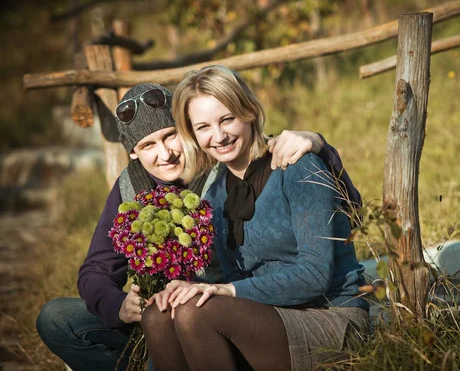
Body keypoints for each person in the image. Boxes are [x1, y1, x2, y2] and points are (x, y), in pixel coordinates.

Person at [35, 82, 360, 371]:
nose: (166, 154)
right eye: (148, 146)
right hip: (194, 308)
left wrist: (318, 143)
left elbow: (338, 208)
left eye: (170, 135)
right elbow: (96, 268)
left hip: (231, 308)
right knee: (63, 317)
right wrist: (117, 305)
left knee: (187, 314)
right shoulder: (133, 187)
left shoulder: (222, 166)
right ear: (133, 153)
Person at [141, 66, 369, 371]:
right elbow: (226, 277)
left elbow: (315, 275)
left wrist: (227, 291)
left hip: (329, 317)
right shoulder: (216, 194)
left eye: (227, 119)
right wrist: (185, 285)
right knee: (159, 313)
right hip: (265, 315)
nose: (219, 136)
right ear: (192, 134)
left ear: (248, 111)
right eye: (204, 127)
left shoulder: (297, 165)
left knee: (195, 313)